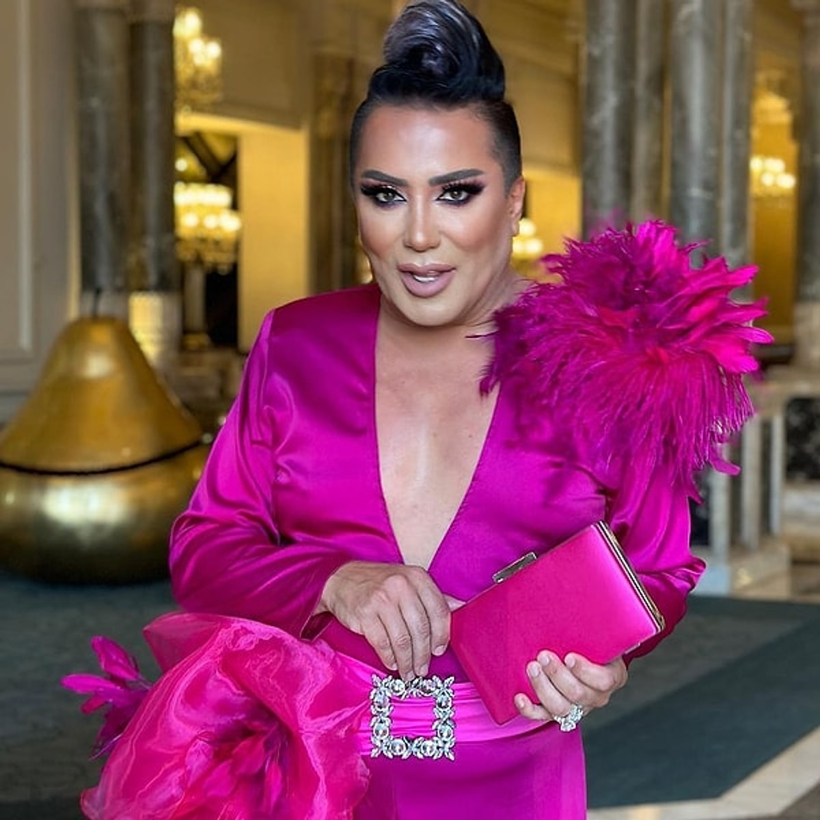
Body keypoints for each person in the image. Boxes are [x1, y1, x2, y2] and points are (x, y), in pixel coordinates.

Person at [64, 1, 769, 817]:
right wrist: (332, 580)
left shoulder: (607, 363)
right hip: (302, 772)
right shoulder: (296, 344)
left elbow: (659, 569)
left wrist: (607, 655)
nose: (420, 236)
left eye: (457, 192)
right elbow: (204, 549)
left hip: (511, 780)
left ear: (514, 199)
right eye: (386, 195)